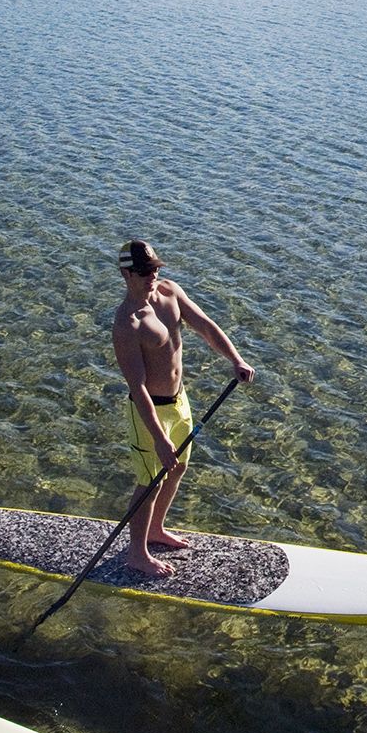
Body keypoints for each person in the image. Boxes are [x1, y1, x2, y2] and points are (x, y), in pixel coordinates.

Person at [111, 240, 253, 577]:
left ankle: (157, 530)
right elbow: (138, 387)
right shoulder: (127, 323)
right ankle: (137, 554)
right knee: (149, 481)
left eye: (156, 268)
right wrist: (159, 438)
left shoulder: (171, 292)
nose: (153, 275)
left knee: (177, 469)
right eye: (145, 271)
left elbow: (205, 326)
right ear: (126, 274)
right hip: (150, 412)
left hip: (179, 401)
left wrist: (236, 359)